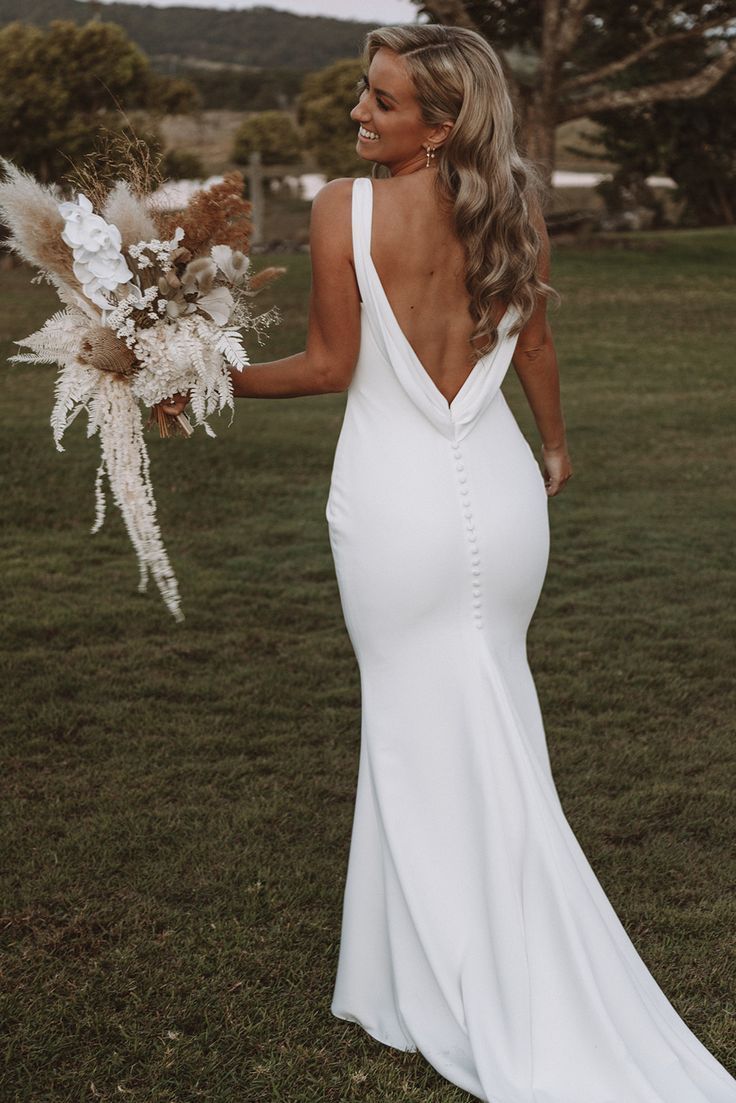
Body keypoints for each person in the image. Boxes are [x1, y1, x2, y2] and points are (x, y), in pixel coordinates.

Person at [163, 23, 736, 1103]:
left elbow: (330, 366)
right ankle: (403, 973)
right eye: (362, 97)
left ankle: (460, 974)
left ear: (439, 123)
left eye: (379, 103)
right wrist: (555, 449)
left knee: (417, 722)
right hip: (504, 492)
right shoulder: (514, 206)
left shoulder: (346, 207)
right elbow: (539, 345)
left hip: (397, 504)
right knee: (488, 712)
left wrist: (203, 374)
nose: (356, 116)